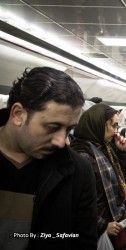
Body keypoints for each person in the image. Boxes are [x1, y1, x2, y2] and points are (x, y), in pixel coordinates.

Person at [0, 67, 97, 250]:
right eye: (52, 127)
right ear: (18, 114)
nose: (62, 142)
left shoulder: (78, 171)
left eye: (69, 130)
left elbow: (83, 242)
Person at [70, 103, 126, 250]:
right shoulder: (82, 154)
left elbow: (120, 179)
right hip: (97, 230)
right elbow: (76, 201)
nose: (116, 131)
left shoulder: (103, 147)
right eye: (114, 126)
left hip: (112, 219)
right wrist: (102, 225)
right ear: (99, 125)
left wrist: (122, 152)